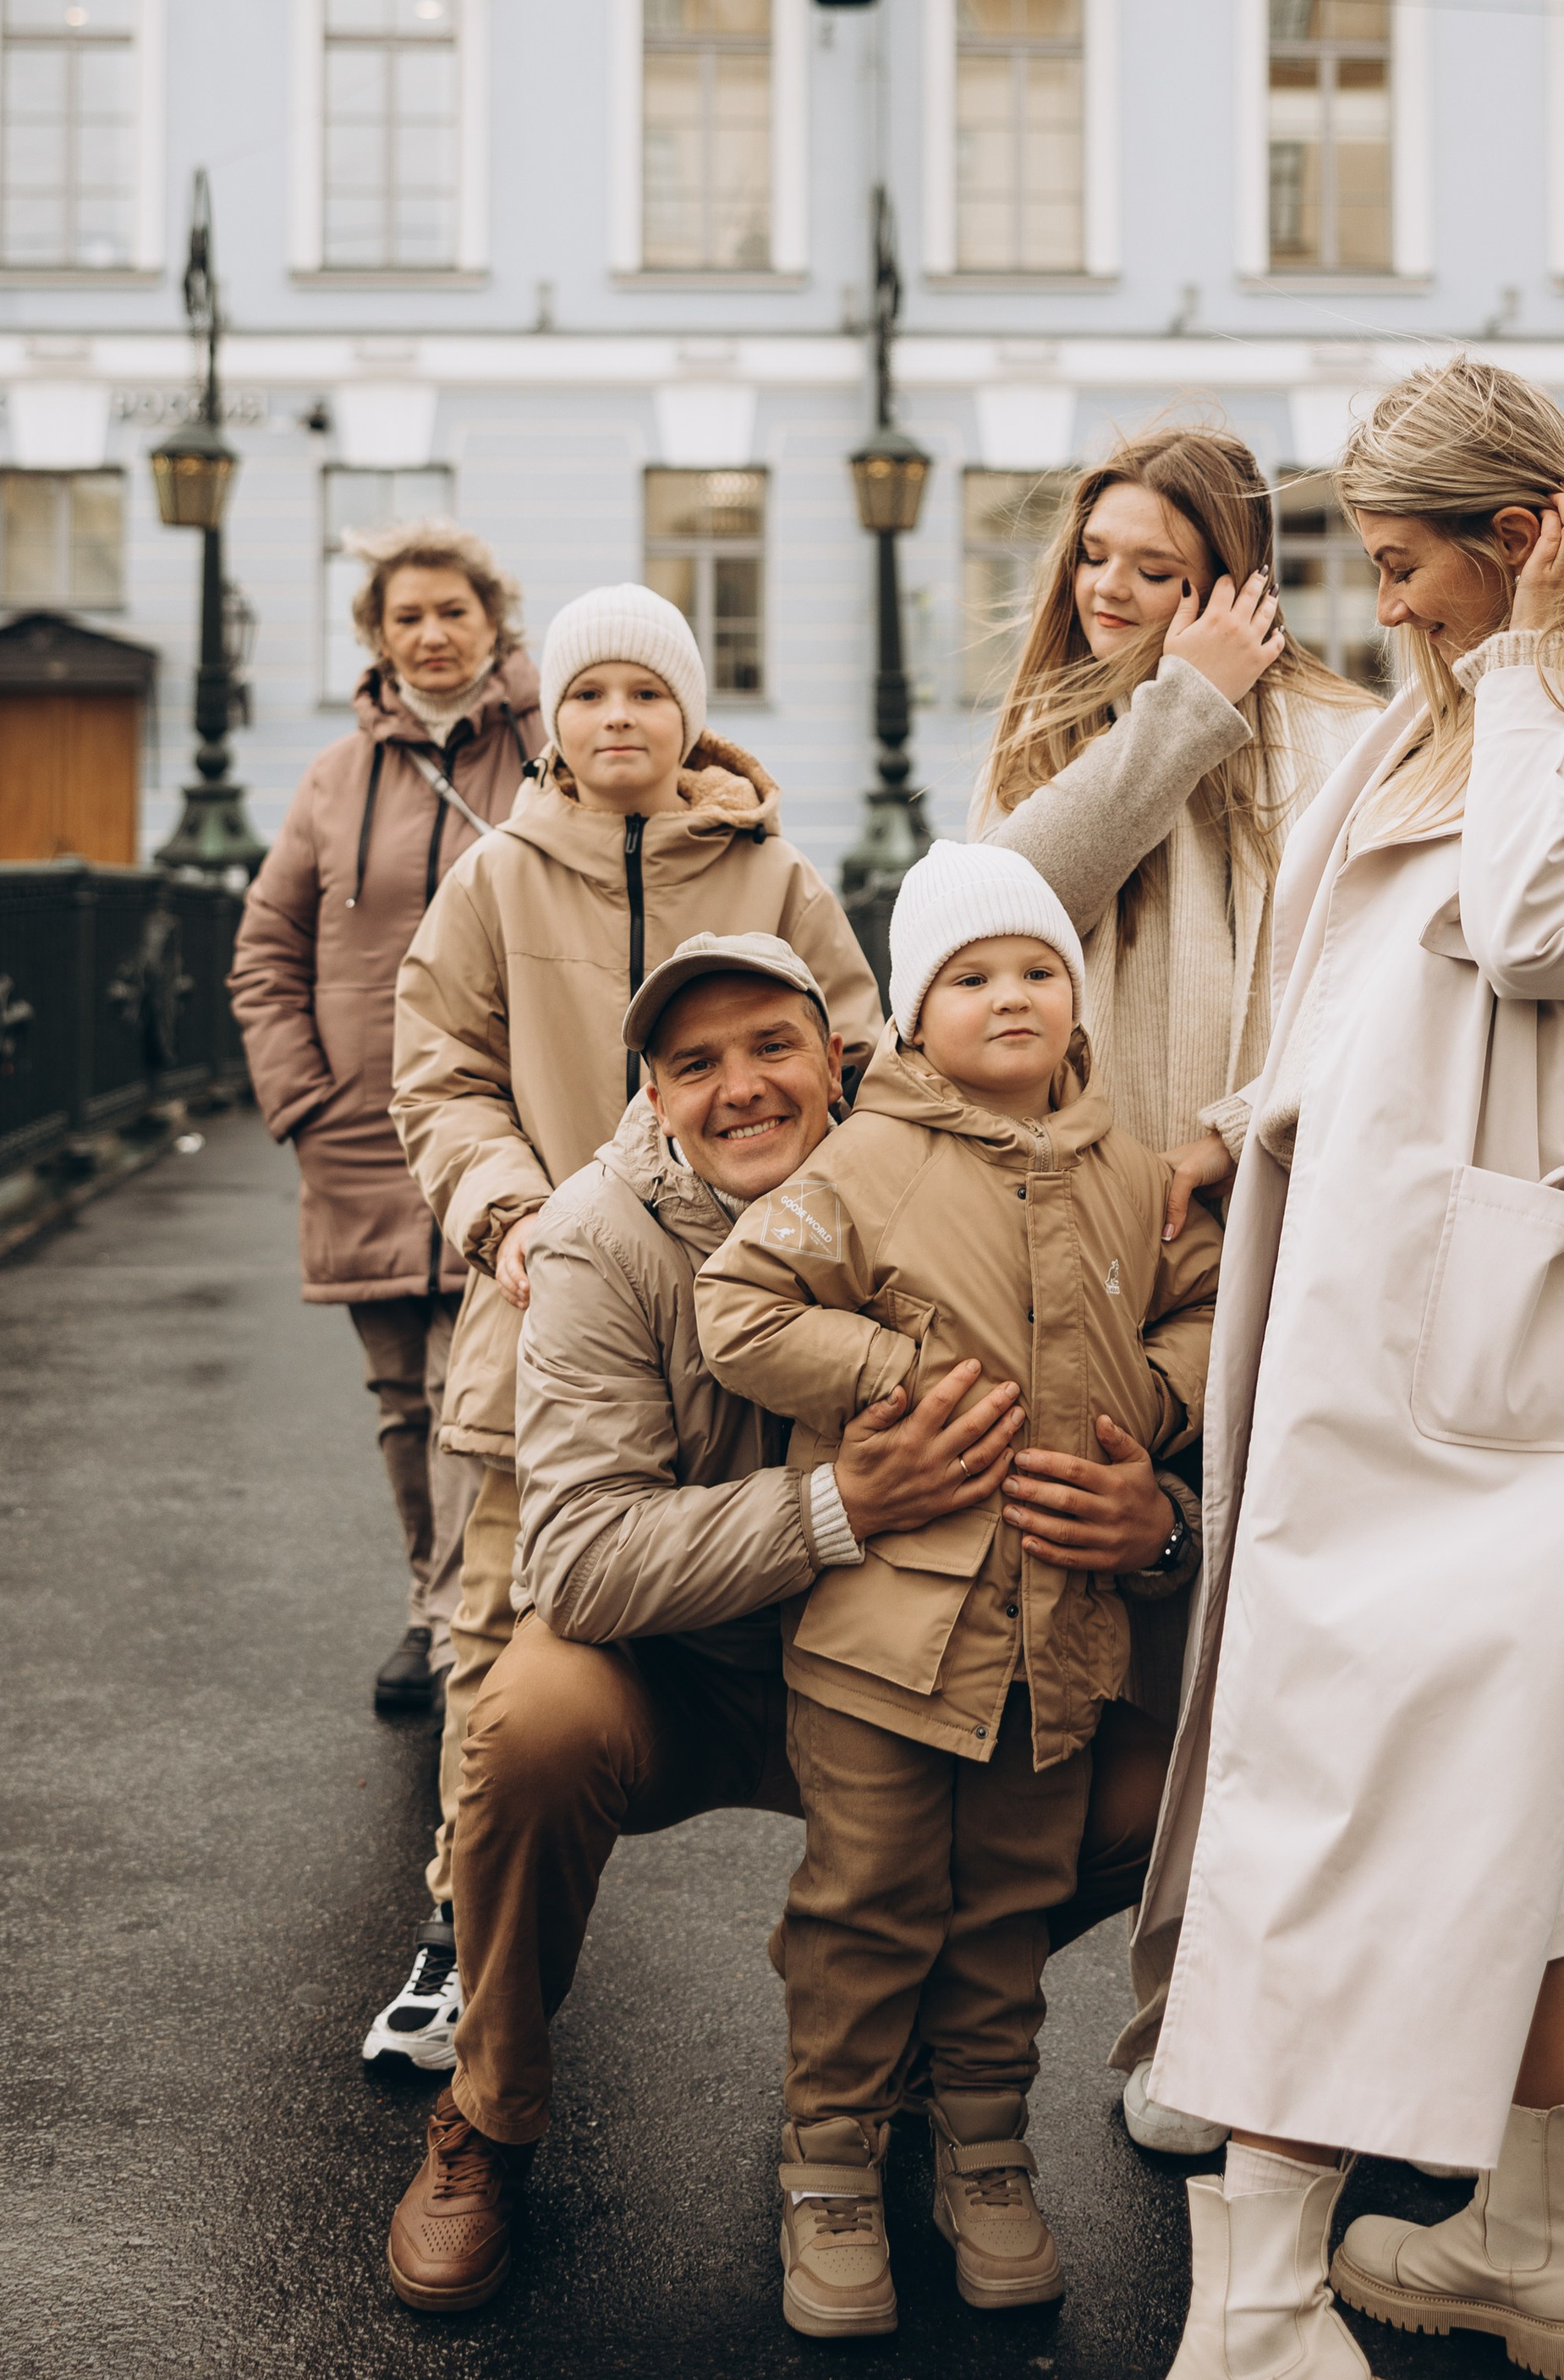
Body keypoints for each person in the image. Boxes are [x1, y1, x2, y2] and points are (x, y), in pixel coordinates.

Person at [1123, 359, 1564, 2380]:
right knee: (1478, 1782)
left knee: (1342, 1775)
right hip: (1365, 1303)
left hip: (1491, 1342)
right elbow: (1354, 976)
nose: (1383, 605)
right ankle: (1537, 2238)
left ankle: (1252, 2301)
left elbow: (1534, 918)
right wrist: (1239, 1128)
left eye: (1408, 566)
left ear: (1521, 539)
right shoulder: (1448, 694)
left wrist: (1525, 678)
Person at [381, 927, 1182, 2316]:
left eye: (773, 1049)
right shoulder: (598, 1240)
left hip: (916, 1671)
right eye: (695, 1065)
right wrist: (838, 1507)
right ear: (650, 1092)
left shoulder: (946, 1168)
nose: (741, 1088)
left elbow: (1149, 1332)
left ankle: (924, 2073)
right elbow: (574, 1562)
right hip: (690, 1684)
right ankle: (488, 2113)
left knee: (1157, 1794)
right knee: (526, 1722)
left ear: (842, 1059)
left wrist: (1160, 1520)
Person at [694, 842, 1221, 2339]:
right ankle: (833, 2164)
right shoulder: (864, 1162)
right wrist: (894, 1374)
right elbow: (740, 1306)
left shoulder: (1137, 1176)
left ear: (1079, 1001)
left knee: (1005, 1907)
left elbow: (1198, 1324)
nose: (1012, 998)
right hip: (883, 1641)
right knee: (866, 1902)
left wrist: (1159, 1407)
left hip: (1054, 1638)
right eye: (972, 977)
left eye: (1039, 971)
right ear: (913, 1021)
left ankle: (985, 2152)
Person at [369, 585, 884, 2080]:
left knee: (803, 1584)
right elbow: (440, 1069)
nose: (616, 721)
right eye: (589, 695)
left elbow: (855, 1059)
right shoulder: (498, 877)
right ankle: (463, 1924)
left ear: (687, 718)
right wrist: (504, 1202)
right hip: (544, 1296)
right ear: (555, 720)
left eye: (646, 697)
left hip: (755, 1302)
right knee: (498, 1627)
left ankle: (877, 1952)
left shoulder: (775, 875)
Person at [980, 424, 1375, 2150]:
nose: (1113, 594)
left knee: (1272, 1636)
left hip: (1277, 1224)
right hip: (1089, 1248)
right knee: (1137, 1645)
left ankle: (1224, 2035)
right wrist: (1177, 710)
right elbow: (1016, 903)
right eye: (1096, 562)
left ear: (1231, 574)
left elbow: (1362, 992)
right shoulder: (1067, 734)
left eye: (1154, 569)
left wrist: (1231, 1132)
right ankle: (1116, 2015)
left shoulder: (1345, 737)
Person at [229, 518, 543, 1719]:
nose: (429, 634)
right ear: (376, 635)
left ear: (491, 621)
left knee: (492, 1384)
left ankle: (484, 1615)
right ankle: (431, 1599)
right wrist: (302, 1099)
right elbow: (267, 951)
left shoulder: (549, 751)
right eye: (405, 616)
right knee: (401, 1400)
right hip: (359, 1130)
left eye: (450, 612)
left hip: (497, 1130)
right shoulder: (333, 778)